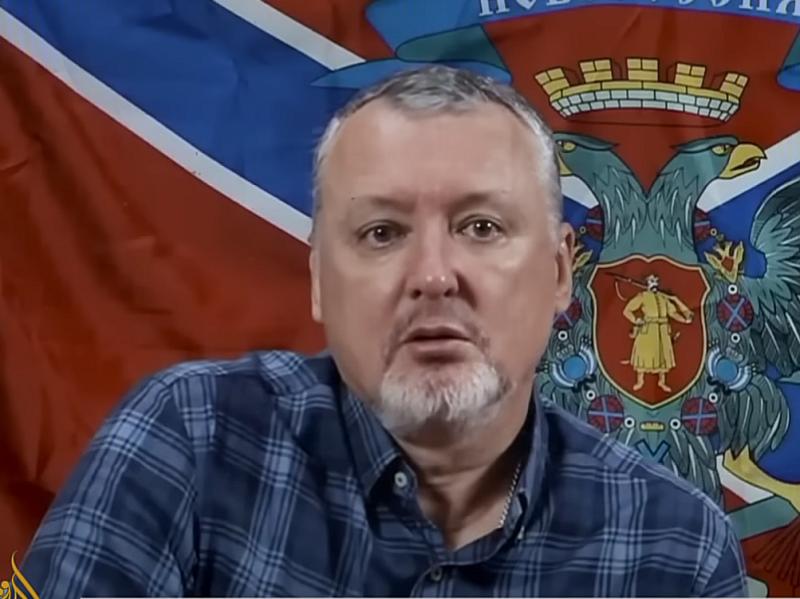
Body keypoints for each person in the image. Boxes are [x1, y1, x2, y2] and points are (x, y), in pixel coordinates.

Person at [22, 66, 746, 597]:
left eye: (481, 227)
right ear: (318, 279)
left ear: (560, 273)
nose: (432, 275)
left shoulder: (673, 546)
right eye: (381, 232)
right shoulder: (189, 440)